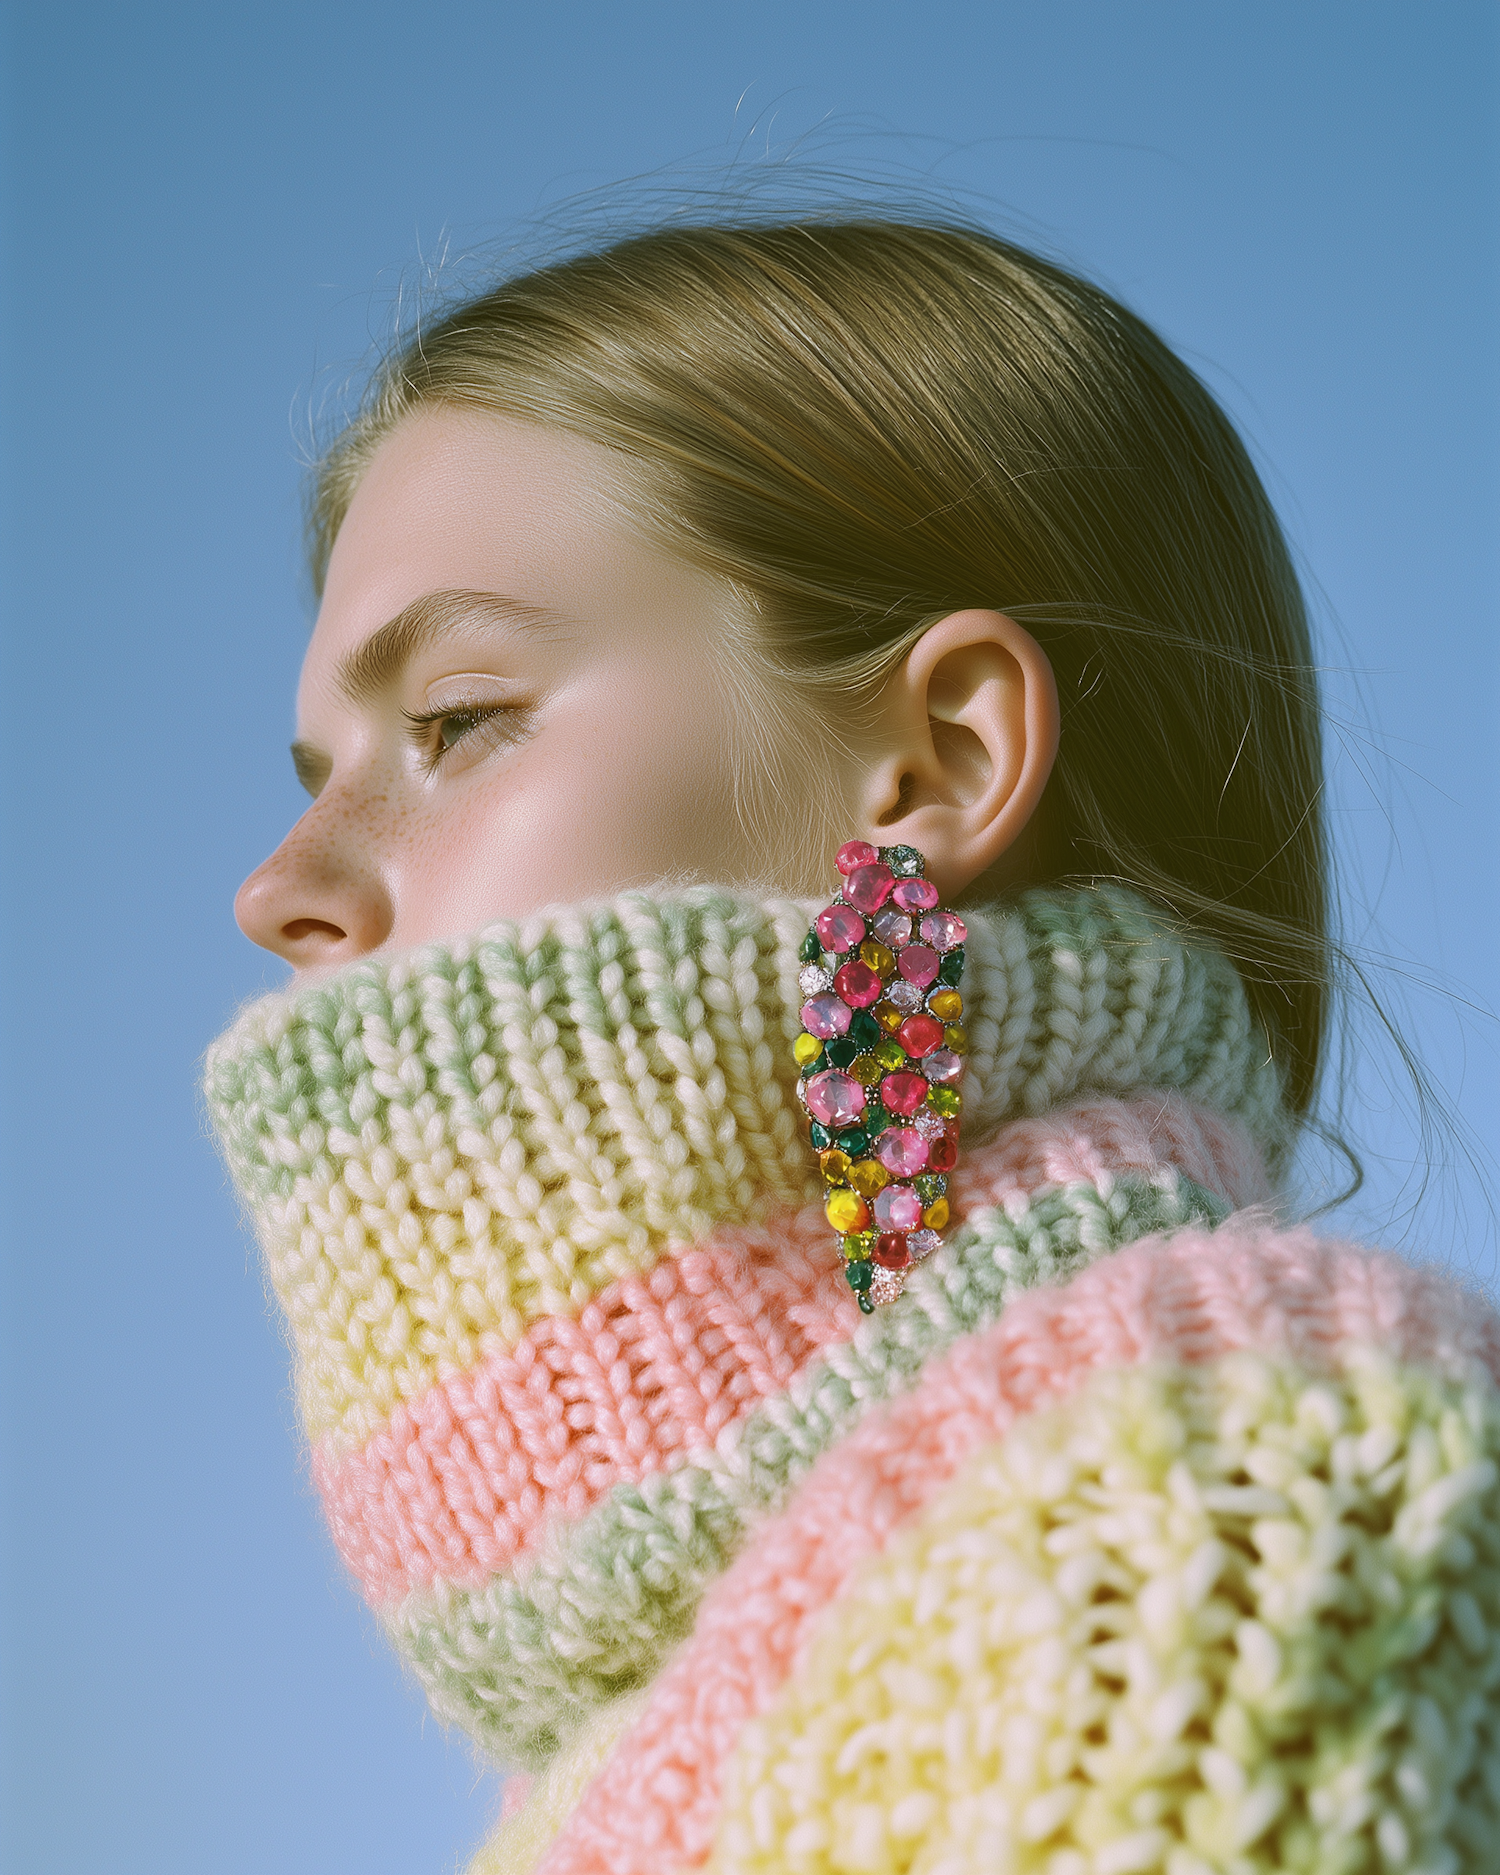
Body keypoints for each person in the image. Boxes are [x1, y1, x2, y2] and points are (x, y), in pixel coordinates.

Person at [207, 218, 1500, 1875]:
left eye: (459, 720)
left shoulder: (1229, 1514)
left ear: (935, 768)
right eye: (319, 767)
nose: (277, 884)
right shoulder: (627, 1748)